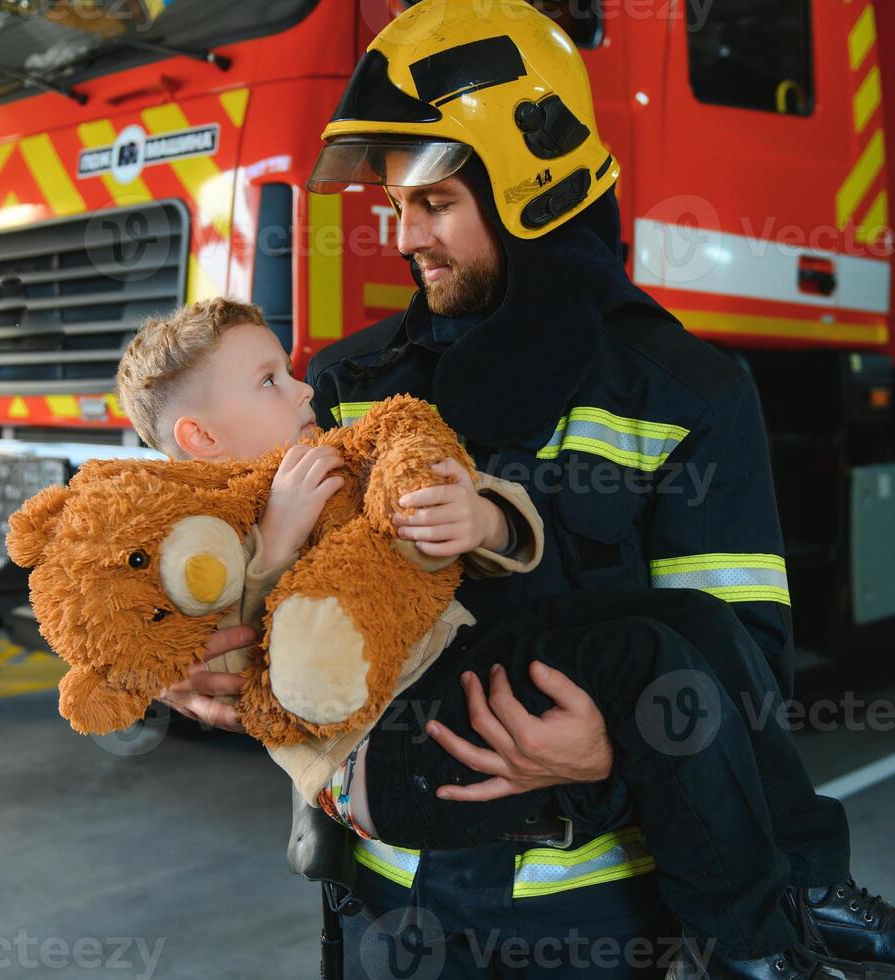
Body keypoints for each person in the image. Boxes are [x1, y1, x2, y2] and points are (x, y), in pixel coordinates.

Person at [161, 1, 895, 976]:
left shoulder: (687, 392)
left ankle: (784, 914)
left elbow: (739, 677)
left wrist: (604, 756)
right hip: (385, 912)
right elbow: (260, 589)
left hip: (583, 926)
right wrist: (184, 647)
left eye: (434, 203)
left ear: (528, 183)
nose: (405, 237)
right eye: (395, 206)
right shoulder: (345, 384)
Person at [116, 296, 545, 802]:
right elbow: (228, 663)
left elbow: (460, 491)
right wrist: (275, 545)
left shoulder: (332, 455)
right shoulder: (188, 533)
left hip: (454, 673)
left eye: (290, 371)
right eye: (269, 380)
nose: (304, 390)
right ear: (202, 435)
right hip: (362, 757)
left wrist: (488, 521)